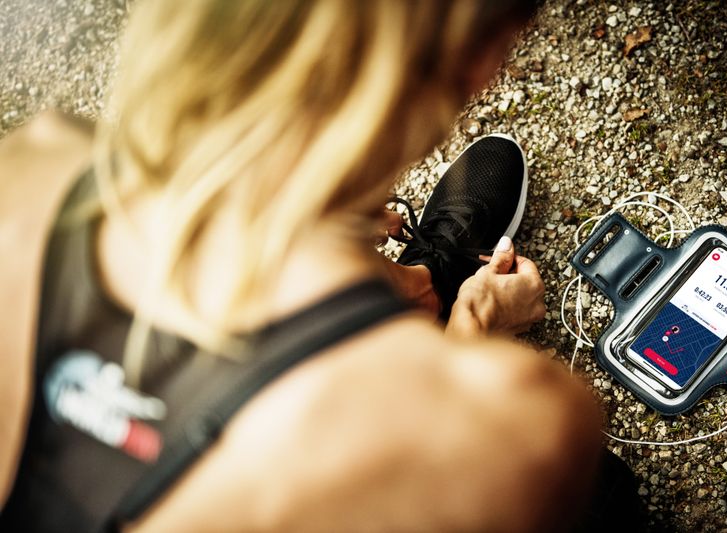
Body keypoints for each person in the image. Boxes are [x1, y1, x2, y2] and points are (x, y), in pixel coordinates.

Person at [0, 0, 603, 531]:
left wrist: (319, 223)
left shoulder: (35, 157)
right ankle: (427, 308)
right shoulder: (515, 416)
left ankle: (407, 291)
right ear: (483, 60)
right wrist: (476, 327)